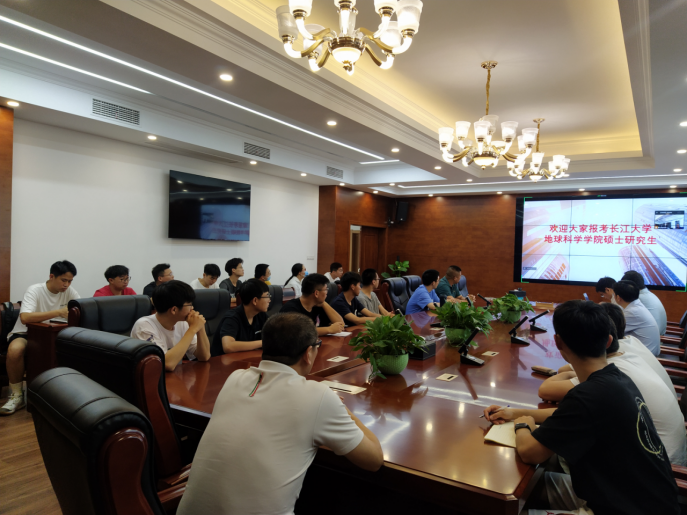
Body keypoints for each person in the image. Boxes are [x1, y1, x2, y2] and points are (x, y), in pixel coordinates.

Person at [483, 300, 680, 515]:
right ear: (609, 341)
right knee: (533, 487)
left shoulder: (588, 395)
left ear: (558, 342)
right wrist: (516, 412)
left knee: (507, 499)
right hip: (637, 496)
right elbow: (572, 414)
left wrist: (522, 425)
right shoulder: (618, 378)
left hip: (619, 507)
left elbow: (530, 453)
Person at [177, 312, 383, 515]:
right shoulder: (318, 396)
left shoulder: (235, 378)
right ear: (308, 353)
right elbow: (374, 460)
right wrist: (342, 409)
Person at [538, 313, 686, 465]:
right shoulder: (630, 348)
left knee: (549, 459)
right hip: (663, 456)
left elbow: (549, 393)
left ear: (558, 342)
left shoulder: (606, 379)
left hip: (661, 466)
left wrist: (525, 422)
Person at [1, 260, 80, 416]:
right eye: (63, 280)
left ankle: (63, 396)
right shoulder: (35, 290)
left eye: (70, 281)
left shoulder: (70, 292)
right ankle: (17, 395)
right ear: (51, 276)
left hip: (53, 334)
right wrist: (58, 312)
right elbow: (25, 317)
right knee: (15, 350)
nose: (66, 285)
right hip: (26, 333)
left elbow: (81, 312)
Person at [131, 280, 211, 371]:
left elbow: (204, 356)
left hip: (176, 376)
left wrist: (200, 328)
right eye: (189, 304)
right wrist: (193, 329)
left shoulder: (182, 322)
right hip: (154, 377)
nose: (192, 308)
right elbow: (166, 364)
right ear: (174, 310)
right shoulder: (144, 326)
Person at [211, 279, 269, 356]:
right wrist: (264, 342)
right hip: (223, 361)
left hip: (247, 358)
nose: (269, 300)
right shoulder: (232, 317)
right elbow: (228, 346)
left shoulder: (261, 315)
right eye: (267, 296)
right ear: (255, 300)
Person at [280, 273, 345, 336]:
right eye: (325, 289)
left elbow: (341, 324)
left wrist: (324, 303)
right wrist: (329, 329)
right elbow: (300, 332)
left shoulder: (317, 305)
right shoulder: (291, 308)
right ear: (316, 293)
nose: (327, 293)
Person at [613, 280, 660, 356]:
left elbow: (612, 330)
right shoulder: (636, 305)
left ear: (618, 297)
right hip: (647, 350)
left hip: (645, 355)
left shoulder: (632, 312)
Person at [621, 270, 667, 336]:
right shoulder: (649, 295)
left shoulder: (637, 299)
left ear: (630, 286)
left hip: (654, 338)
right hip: (658, 336)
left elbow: (621, 324)